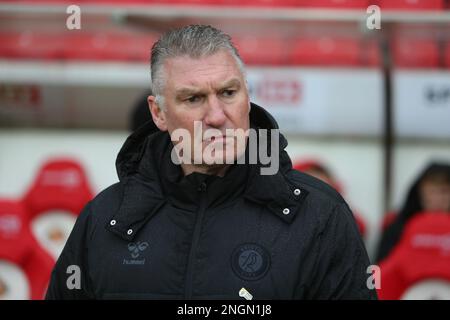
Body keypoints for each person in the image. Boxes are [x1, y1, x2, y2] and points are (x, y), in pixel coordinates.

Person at [45, 25, 376, 300]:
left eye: (228, 93)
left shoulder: (319, 216)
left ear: (247, 95)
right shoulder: (104, 219)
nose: (217, 116)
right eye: (194, 98)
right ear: (158, 113)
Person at [376, 162, 450, 263]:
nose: (437, 199)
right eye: (432, 192)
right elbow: (382, 268)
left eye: (444, 191)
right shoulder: (399, 227)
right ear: (420, 194)